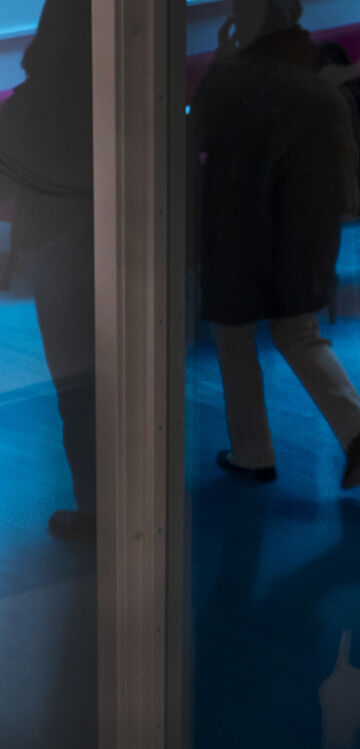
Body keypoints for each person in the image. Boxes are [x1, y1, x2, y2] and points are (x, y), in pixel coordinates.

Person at [191, 0, 360, 489]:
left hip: (237, 230)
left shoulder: (231, 84)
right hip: (307, 231)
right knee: (299, 333)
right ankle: (355, 432)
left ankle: (252, 450)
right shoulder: (317, 86)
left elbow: (204, 143)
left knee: (233, 334)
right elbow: (344, 177)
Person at [0, 0, 96, 538]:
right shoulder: (132, 85)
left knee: (80, 387)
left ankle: (96, 510)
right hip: (134, 254)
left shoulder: (40, 100)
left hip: (65, 257)